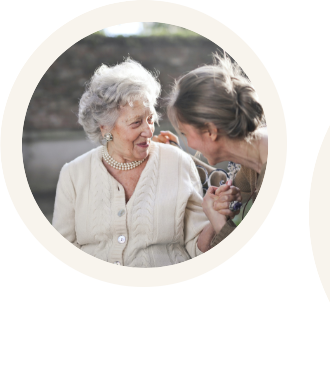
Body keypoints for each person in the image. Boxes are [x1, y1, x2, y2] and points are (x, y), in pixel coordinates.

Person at [52, 58, 231, 267]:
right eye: (136, 122)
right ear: (105, 128)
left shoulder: (177, 162)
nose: (148, 130)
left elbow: (197, 247)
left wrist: (214, 216)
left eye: (150, 119)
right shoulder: (74, 174)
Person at [158, 54, 268, 248]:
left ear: (210, 131)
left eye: (185, 133)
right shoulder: (251, 166)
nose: (189, 143)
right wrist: (217, 211)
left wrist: (216, 219)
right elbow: (205, 246)